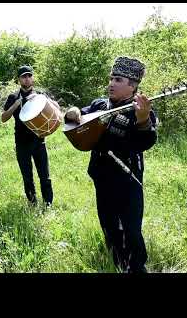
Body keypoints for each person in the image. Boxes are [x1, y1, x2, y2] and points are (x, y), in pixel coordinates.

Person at [65, 56, 157, 273]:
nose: (111, 84)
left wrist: (143, 120)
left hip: (127, 178)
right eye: (111, 79)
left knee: (131, 228)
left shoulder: (141, 110)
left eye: (118, 80)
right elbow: (78, 116)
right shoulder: (100, 104)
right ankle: (116, 260)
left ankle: (136, 267)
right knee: (108, 222)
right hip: (101, 175)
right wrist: (73, 111)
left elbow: (146, 141)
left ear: (132, 86)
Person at [1, 65, 57, 208]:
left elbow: (56, 107)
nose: (27, 79)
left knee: (45, 176)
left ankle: (48, 204)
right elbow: (3, 117)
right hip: (21, 143)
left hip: (39, 141)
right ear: (19, 79)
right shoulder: (13, 97)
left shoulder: (40, 95)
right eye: (23, 76)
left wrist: (44, 100)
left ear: (32, 78)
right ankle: (32, 204)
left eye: (29, 76)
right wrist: (15, 105)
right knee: (27, 177)